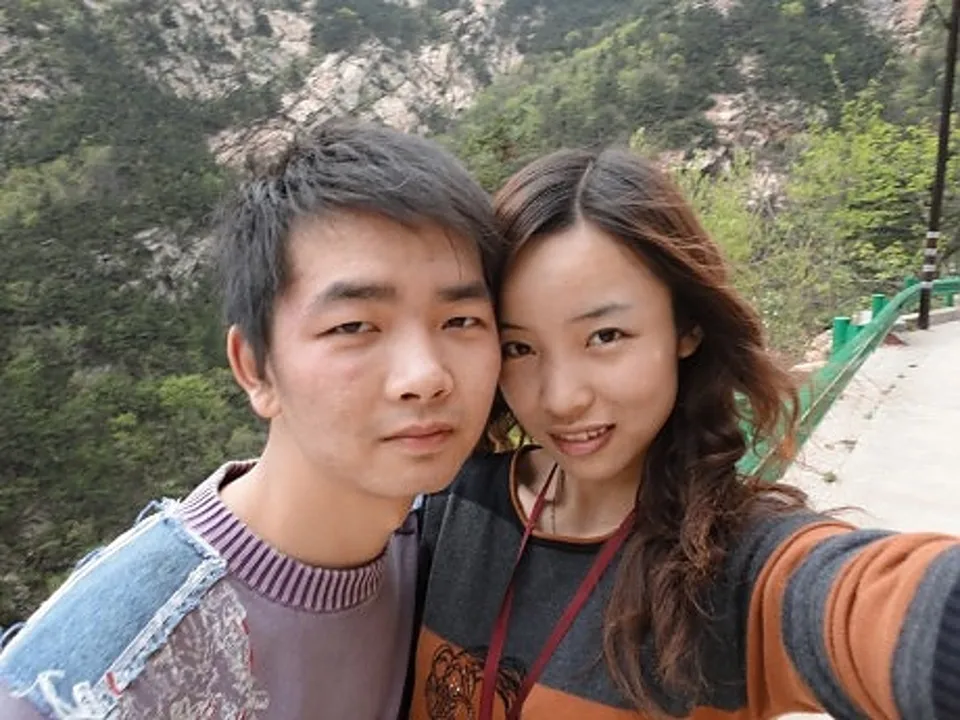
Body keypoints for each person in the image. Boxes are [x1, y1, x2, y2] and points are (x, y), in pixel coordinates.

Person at [409, 147, 960, 719]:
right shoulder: (451, 506)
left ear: (686, 327)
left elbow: (869, 605)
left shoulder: (733, 566)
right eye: (520, 347)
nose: (561, 398)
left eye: (605, 336)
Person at [0, 121, 504, 719]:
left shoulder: (442, 543)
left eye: (460, 321)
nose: (425, 375)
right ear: (255, 369)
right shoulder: (99, 681)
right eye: (353, 326)